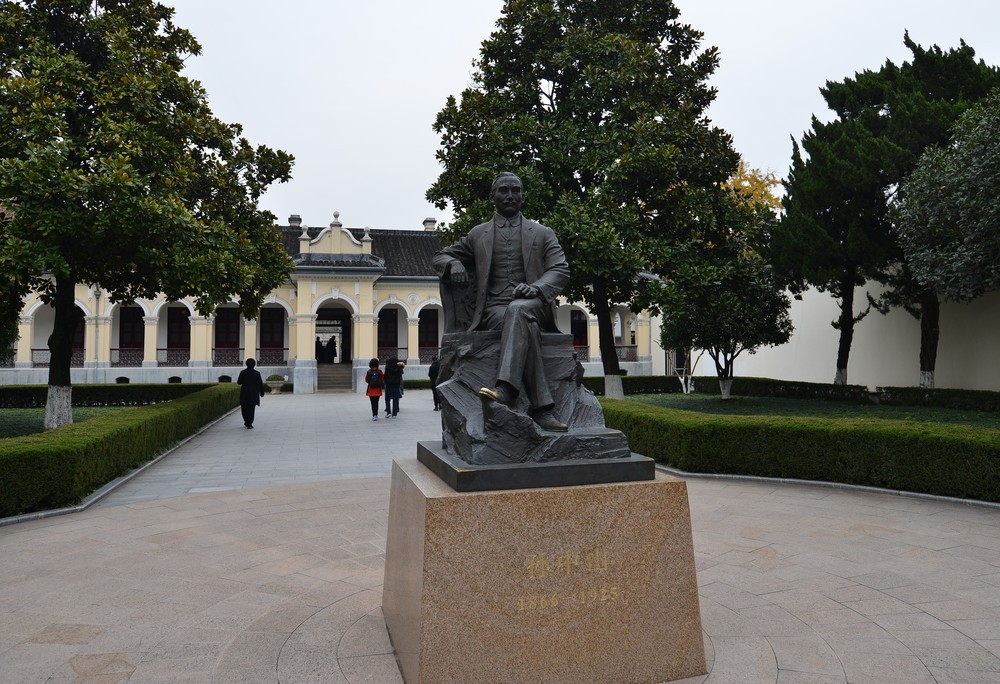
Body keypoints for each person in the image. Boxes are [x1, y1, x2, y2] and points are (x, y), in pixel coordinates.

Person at [432, 172, 570, 431]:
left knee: (518, 310)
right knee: (520, 321)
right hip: (493, 310)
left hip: (535, 303)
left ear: (523, 197)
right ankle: (542, 409)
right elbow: (440, 256)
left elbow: (560, 269)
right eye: (503, 190)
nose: (510, 195)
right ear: (492, 196)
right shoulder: (478, 234)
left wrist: (536, 288)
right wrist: (453, 263)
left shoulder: (542, 233)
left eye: (515, 190)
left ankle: (506, 388)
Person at [237, 358, 266, 429]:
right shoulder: (257, 373)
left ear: (246, 364)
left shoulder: (243, 372)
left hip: (244, 393)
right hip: (253, 393)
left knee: (244, 408)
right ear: (254, 365)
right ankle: (249, 423)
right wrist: (262, 392)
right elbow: (260, 384)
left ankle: (246, 421)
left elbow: (239, 382)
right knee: (251, 409)